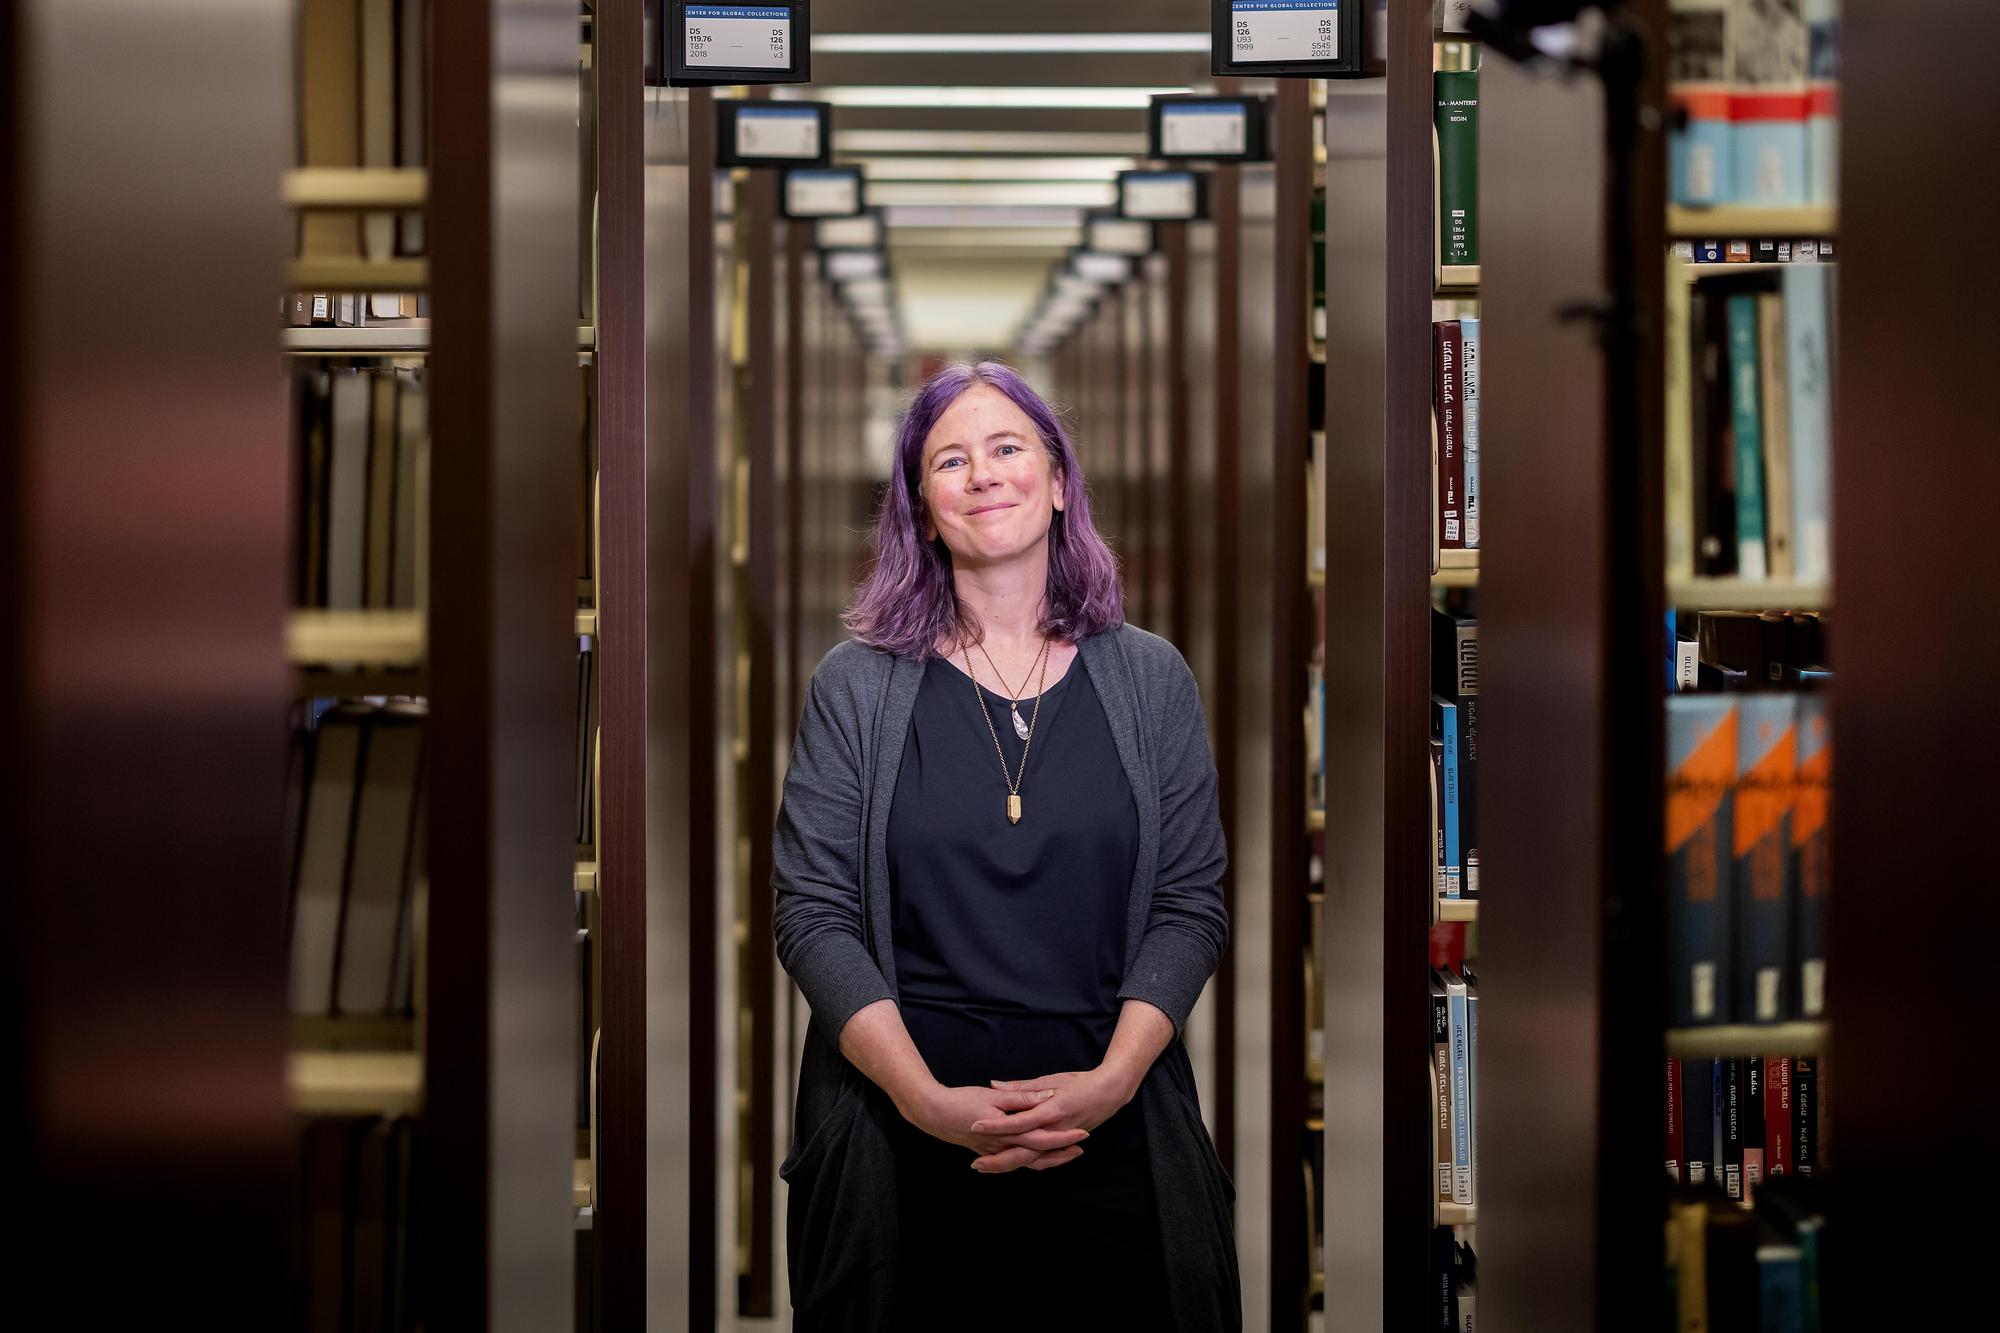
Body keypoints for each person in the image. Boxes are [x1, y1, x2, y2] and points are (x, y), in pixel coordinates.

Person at [772, 360, 1238, 1331]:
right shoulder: (853, 685)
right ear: (919, 508)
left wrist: (1109, 1084)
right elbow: (810, 913)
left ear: (1059, 482)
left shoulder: (1151, 679)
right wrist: (924, 1100)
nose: (982, 473)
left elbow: (1190, 903)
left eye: (1006, 447)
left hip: (1110, 1131)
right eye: (950, 459)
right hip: (904, 1147)